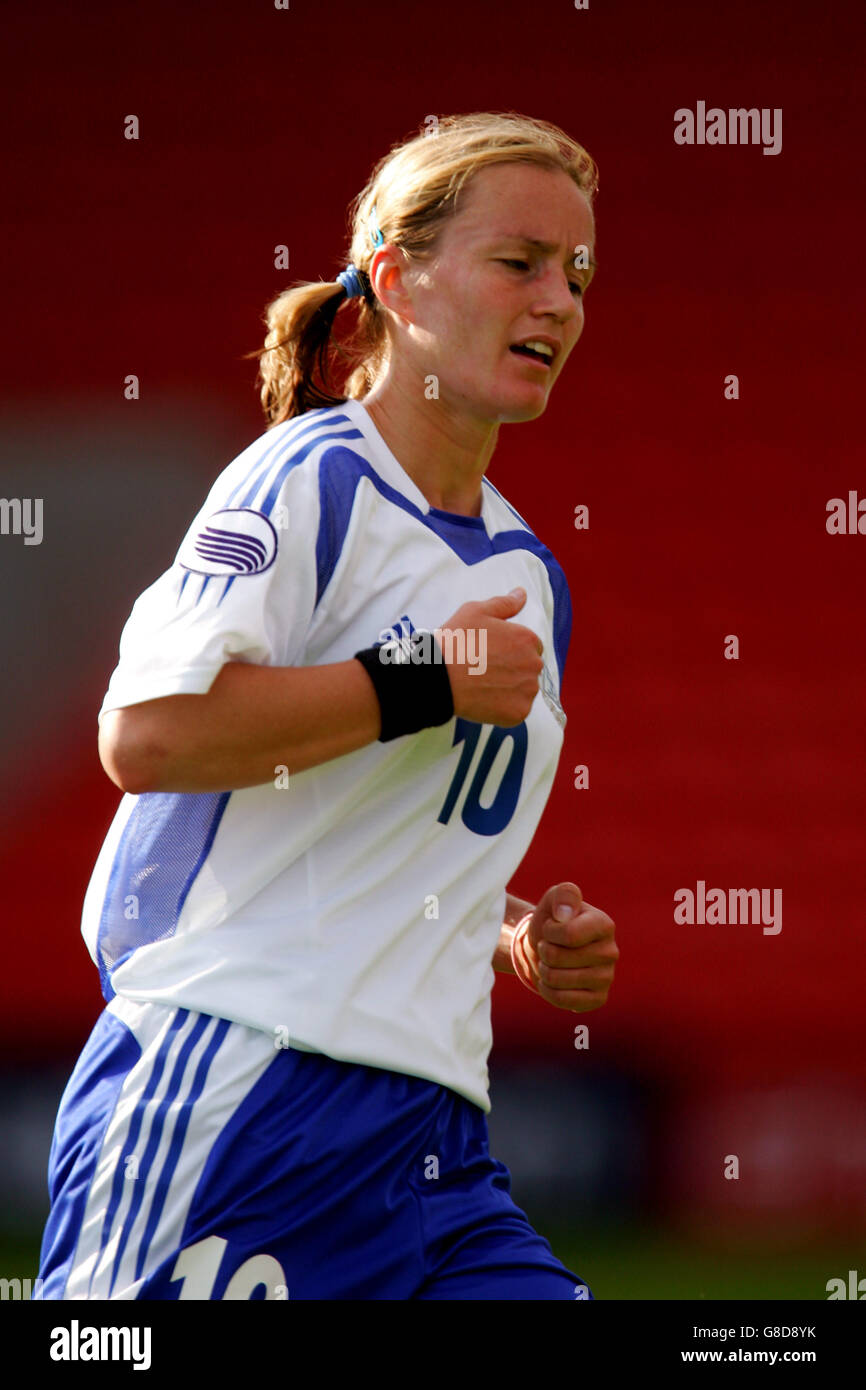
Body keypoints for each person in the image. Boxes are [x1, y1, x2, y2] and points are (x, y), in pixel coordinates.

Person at [37, 110, 619, 1301]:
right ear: (399, 282)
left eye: (576, 273)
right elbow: (147, 734)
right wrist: (427, 679)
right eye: (518, 263)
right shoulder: (309, 478)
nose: (556, 300)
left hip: (437, 1151)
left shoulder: (527, 574)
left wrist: (503, 927)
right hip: (242, 1095)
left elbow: (358, 830)